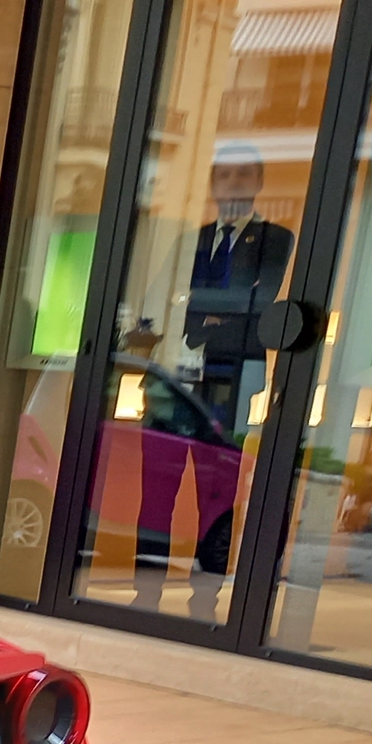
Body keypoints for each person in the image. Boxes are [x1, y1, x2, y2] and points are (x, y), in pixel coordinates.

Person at [133, 142, 292, 619]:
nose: (235, 184)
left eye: (245, 175)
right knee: (156, 491)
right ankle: (146, 597)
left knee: (216, 493)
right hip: (176, 380)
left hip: (230, 378)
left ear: (259, 183)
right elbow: (162, 298)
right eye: (225, 176)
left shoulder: (274, 238)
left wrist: (200, 320)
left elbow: (254, 304)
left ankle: (205, 600)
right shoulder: (192, 239)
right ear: (213, 186)